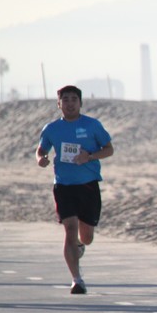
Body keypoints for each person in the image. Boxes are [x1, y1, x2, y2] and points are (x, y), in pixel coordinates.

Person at [35, 85, 115, 294]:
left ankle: (80, 244)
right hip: (63, 186)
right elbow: (41, 150)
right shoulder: (51, 128)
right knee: (70, 229)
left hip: (88, 185)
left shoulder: (92, 125)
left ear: (80, 103)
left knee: (86, 236)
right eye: (65, 99)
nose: (70, 103)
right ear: (58, 104)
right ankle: (76, 280)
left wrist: (89, 156)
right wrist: (41, 159)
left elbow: (109, 149)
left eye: (74, 99)